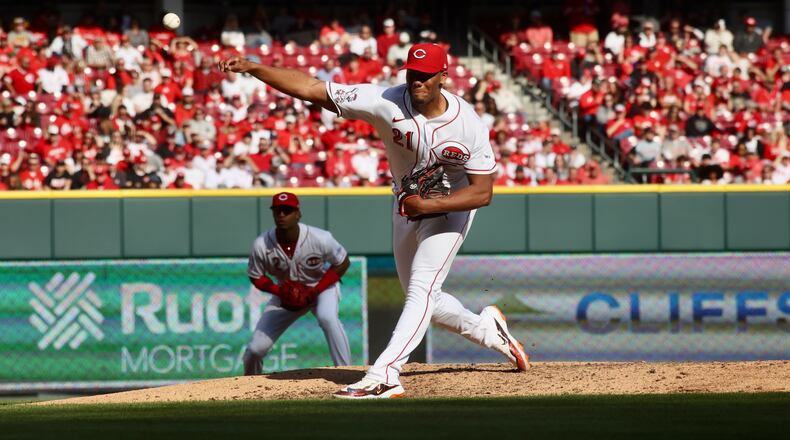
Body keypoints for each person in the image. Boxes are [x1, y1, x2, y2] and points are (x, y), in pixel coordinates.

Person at [220, 42, 529, 399]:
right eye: (413, 74)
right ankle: (489, 330)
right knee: (427, 298)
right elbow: (310, 88)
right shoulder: (386, 100)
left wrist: (428, 206)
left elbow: (482, 193)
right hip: (407, 205)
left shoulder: (467, 123)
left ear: (444, 76)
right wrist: (256, 68)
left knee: (421, 289)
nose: (418, 81)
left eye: (427, 75)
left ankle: (384, 374)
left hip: (451, 209)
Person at [243, 192, 352, 374]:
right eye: (278, 211)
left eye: (287, 211)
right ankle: (248, 387)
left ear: (298, 214)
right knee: (255, 350)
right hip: (286, 294)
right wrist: (278, 291)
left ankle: (347, 372)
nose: (282, 215)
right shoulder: (262, 244)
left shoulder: (320, 237)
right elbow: (256, 276)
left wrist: (316, 291)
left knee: (328, 317)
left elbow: (342, 262)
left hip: (320, 288)